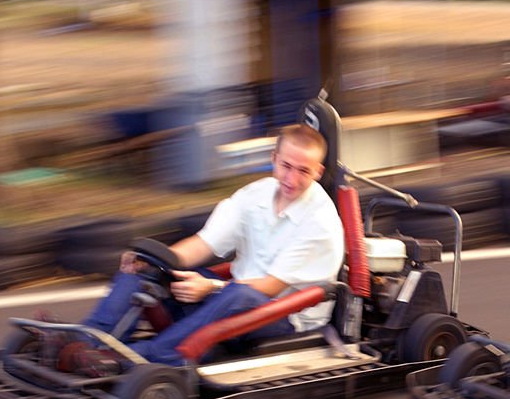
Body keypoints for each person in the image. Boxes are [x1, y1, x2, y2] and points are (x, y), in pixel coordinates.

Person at [51, 124, 345, 373]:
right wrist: (159, 261)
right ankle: (88, 343)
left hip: (284, 316)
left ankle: (145, 359)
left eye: (303, 171)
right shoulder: (255, 195)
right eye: (286, 166)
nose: (292, 179)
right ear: (274, 158)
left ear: (318, 171)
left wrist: (211, 288)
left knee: (239, 293)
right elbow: (203, 244)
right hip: (233, 297)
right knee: (145, 270)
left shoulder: (319, 223)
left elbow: (269, 288)